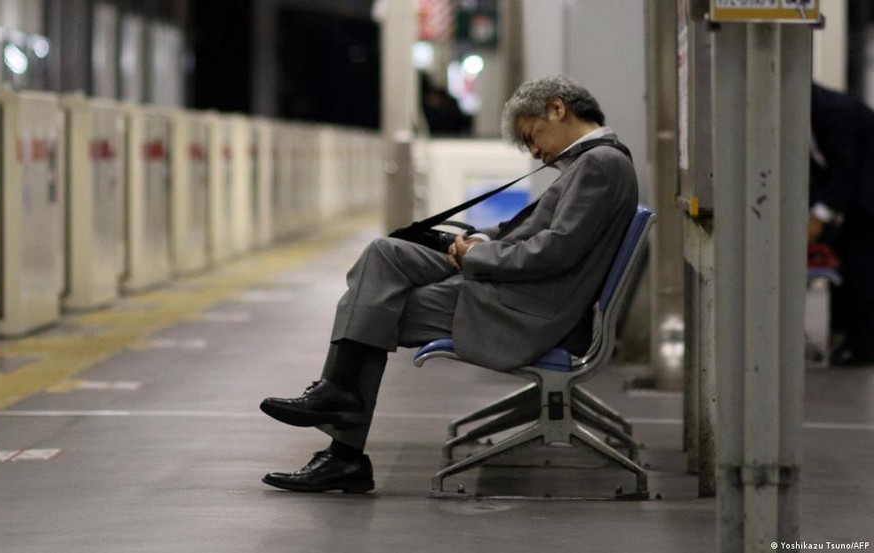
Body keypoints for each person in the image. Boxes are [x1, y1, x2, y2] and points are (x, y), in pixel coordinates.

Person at [259, 75, 639, 493]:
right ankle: (339, 392)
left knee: (377, 307)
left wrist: (476, 256)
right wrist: (477, 239)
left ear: (557, 109)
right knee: (384, 254)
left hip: (528, 308)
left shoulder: (600, 164)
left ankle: (344, 450)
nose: (535, 152)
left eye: (532, 137)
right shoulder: (594, 162)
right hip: (519, 287)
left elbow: (554, 251)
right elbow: (535, 234)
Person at [810, 83, 874, 366]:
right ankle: (846, 338)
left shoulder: (833, 112)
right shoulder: (812, 114)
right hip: (855, 200)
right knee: (845, 264)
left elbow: (845, 170)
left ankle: (863, 347)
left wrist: (819, 216)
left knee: (861, 270)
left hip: (866, 197)